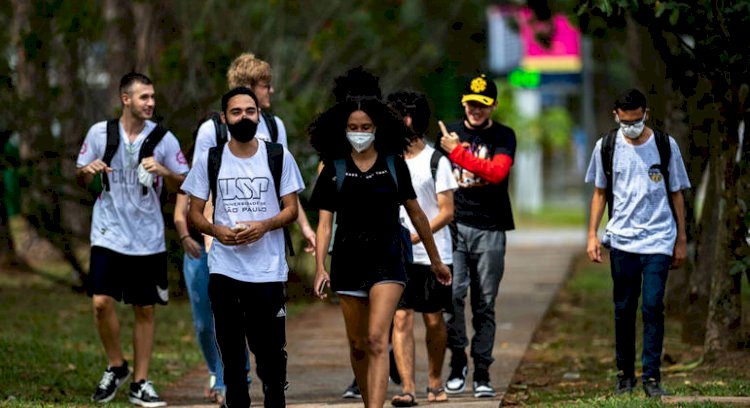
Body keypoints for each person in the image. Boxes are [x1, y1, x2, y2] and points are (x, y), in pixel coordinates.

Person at [309, 95, 452, 408]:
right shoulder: (334, 168)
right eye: (353, 127)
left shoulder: (392, 163)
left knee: (376, 339)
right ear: (342, 129)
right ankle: (367, 401)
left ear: (378, 128)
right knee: (358, 344)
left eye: (366, 126)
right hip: (347, 261)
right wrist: (320, 266)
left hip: (388, 259)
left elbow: (417, 214)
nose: (359, 132)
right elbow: (324, 224)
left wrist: (436, 261)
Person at [181, 86, 304, 408]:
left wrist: (264, 225)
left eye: (250, 111)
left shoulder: (277, 155)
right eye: (236, 112)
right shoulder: (212, 158)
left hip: (268, 269)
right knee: (232, 353)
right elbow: (193, 211)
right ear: (225, 118)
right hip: (225, 267)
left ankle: (274, 398)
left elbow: (291, 208)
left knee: (270, 352)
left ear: (258, 115)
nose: (244, 117)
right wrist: (215, 231)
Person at [76, 72, 189, 407]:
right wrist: (88, 171)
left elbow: (185, 183)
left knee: (144, 310)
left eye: (153, 97)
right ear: (125, 99)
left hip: (147, 236)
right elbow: (80, 176)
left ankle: (140, 381)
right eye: (144, 97)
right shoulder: (100, 133)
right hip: (108, 231)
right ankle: (116, 365)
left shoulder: (164, 139)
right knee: (100, 303)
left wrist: (166, 172)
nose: (151, 103)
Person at [585, 88, 690, 398]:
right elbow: (600, 193)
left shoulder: (664, 145)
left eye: (637, 120)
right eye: (625, 121)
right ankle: (624, 376)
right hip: (622, 239)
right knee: (624, 309)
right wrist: (593, 234)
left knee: (653, 305)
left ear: (646, 113)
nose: (631, 126)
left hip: (659, 238)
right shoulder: (606, 146)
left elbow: (677, 193)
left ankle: (652, 377)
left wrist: (681, 239)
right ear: (615, 116)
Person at [438, 73, 516, 398]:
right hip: (455, 226)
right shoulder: (449, 134)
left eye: (482, 105)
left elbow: (497, 173)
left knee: (484, 302)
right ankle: (458, 361)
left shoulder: (504, 136)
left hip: (491, 227)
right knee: (452, 297)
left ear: (493, 106)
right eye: (471, 103)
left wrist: (458, 153)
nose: (476, 110)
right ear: (464, 103)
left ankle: (482, 370)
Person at [193, 52, 315, 253]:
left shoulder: (274, 126)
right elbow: (203, 191)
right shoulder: (213, 130)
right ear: (248, 87)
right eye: (266, 86)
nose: (271, 90)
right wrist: (211, 236)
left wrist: (306, 229)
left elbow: (286, 187)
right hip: (224, 241)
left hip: (268, 243)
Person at [386, 90, 457, 406]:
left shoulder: (435, 160)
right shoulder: (387, 159)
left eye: (406, 114)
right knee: (400, 319)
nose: (403, 121)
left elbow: (447, 210)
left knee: (432, 320)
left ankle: (435, 381)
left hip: (434, 253)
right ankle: (408, 388)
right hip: (397, 256)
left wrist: (417, 236)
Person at [173, 143, 228, 404]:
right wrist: (185, 237)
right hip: (197, 254)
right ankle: (213, 369)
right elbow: (179, 214)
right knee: (203, 324)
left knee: (228, 318)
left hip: (227, 253)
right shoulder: (194, 174)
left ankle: (225, 379)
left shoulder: (232, 170)